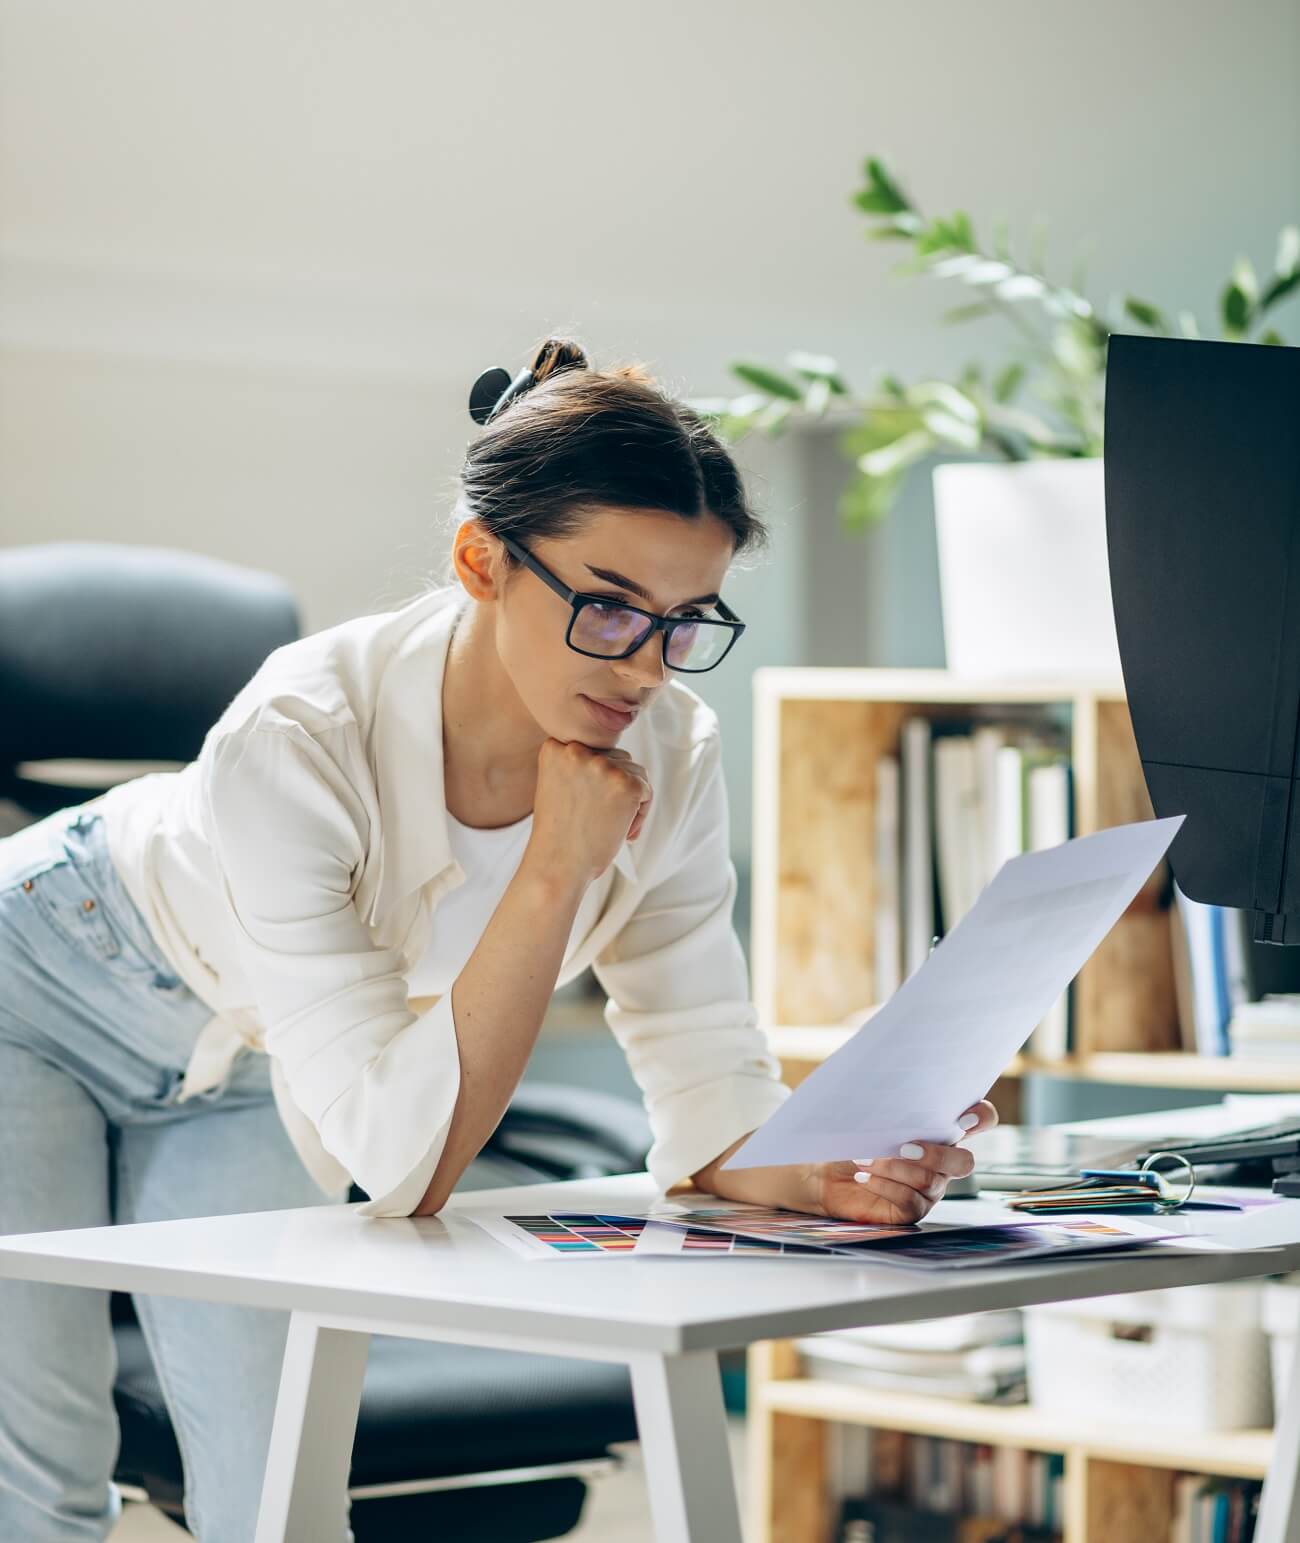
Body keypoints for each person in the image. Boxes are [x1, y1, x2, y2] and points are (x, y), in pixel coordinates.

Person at [0, 335, 996, 1540]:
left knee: (280, 1485)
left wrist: (822, 1171)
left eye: (684, 621)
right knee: (42, 1473)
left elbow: (699, 1064)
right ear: (480, 560)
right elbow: (410, 1163)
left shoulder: (673, 754)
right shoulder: (300, 729)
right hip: (39, 983)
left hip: (251, 1058)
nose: (645, 667)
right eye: (609, 607)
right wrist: (556, 863)